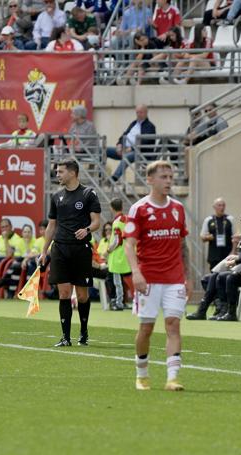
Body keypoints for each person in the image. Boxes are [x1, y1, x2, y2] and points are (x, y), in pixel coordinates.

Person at [124, 160, 192, 391]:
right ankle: (141, 374)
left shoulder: (178, 208)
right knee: (147, 329)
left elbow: (183, 245)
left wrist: (188, 277)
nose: (169, 181)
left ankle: (172, 378)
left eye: (171, 177)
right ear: (150, 179)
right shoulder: (139, 209)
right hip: (149, 279)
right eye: (163, 177)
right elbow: (129, 244)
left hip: (174, 278)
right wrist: (136, 273)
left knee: (173, 325)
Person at [38, 159, 102, 347]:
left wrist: (87, 230)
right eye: (56, 171)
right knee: (64, 293)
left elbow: (96, 221)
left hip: (80, 249)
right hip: (60, 249)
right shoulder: (56, 197)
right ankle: (65, 337)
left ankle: (83, 332)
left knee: (82, 295)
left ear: (72, 173)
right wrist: (44, 251)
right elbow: (51, 225)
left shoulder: (88, 194)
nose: (57, 174)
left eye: (60, 171)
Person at [187, 210, 241, 320]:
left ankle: (224, 310)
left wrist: (237, 259)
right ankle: (213, 309)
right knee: (208, 278)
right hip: (239, 268)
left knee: (221, 276)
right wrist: (235, 245)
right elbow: (235, 255)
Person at [108, 104, 157, 182]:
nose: (138, 114)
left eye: (140, 112)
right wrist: (119, 144)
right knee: (104, 150)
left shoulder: (150, 126)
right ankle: (100, 175)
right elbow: (124, 134)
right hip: (124, 149)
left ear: (146, 113)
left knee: (126, 157)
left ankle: (114, 178)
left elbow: (145, 141)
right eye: (137, 112)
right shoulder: (133, 123)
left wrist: (131, 148)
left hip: (139, 152)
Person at [107, 198, 131, 311]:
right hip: (126, 252)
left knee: (117, 282)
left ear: (112, 208)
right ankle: (123, 301)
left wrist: (109, 249)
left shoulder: (116, 222)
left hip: (117, 254)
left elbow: (117, 240)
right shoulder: (126, 219)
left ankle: (119, 302)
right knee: (122, 280)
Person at [201, 198, 235, 272]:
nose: (221, 208)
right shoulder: (208, 220)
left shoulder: (230, 219)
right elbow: (202, 237)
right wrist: (208, 237)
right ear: (214, 207)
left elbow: (235, 237)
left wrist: (233, 251)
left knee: (226, 275)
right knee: (214, 276)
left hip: (227, 255)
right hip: (214, 255)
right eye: (219, 205)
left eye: (223, 205)